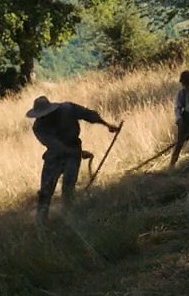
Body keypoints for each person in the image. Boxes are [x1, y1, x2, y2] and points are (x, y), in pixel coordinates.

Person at [26, 94, 119, 225]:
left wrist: (107, 124)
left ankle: (69, 219)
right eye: (41, 116)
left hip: (73, 152)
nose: (43, 118)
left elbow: (89, 115)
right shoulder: (39, 128)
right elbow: (56, 146)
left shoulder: (67, 109)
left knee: (68, 188)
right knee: (45, 191)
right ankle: (41, 223)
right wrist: (80, 153)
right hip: (54, 157)